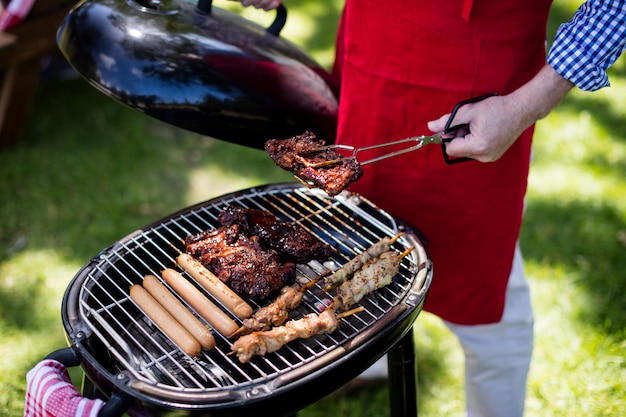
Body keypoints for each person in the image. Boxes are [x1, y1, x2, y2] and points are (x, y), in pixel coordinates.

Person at [22, 1, 625, 416]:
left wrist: (527, 103)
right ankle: (369, 356)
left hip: (483, 91)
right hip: (371, 61)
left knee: (492, 314)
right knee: (348, 241)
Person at [234, 0, 625, 416]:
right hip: (374, 49)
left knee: (489, 304)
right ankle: (371, 355)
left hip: (476, 83)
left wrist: (526, 105)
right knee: (359, 233)